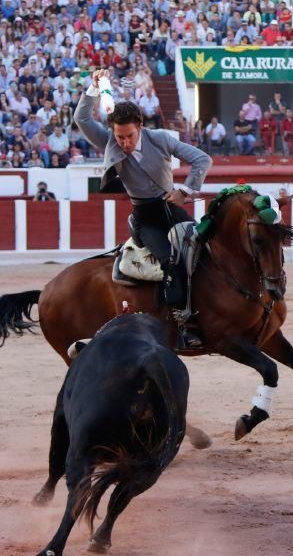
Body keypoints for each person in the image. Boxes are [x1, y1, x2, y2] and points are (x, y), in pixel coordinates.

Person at [73, 69, 211, 348]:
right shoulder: (109, 140)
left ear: (140, 127)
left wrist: (185, 190)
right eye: (120, 137)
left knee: (203, 250)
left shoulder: (161, 138)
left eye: (129, 136)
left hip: (171, 209)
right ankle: (181, 323)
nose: (124, 143)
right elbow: (82, 118)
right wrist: (94, 89)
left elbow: (202, 159)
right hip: (145, 217)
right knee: (169, 261)